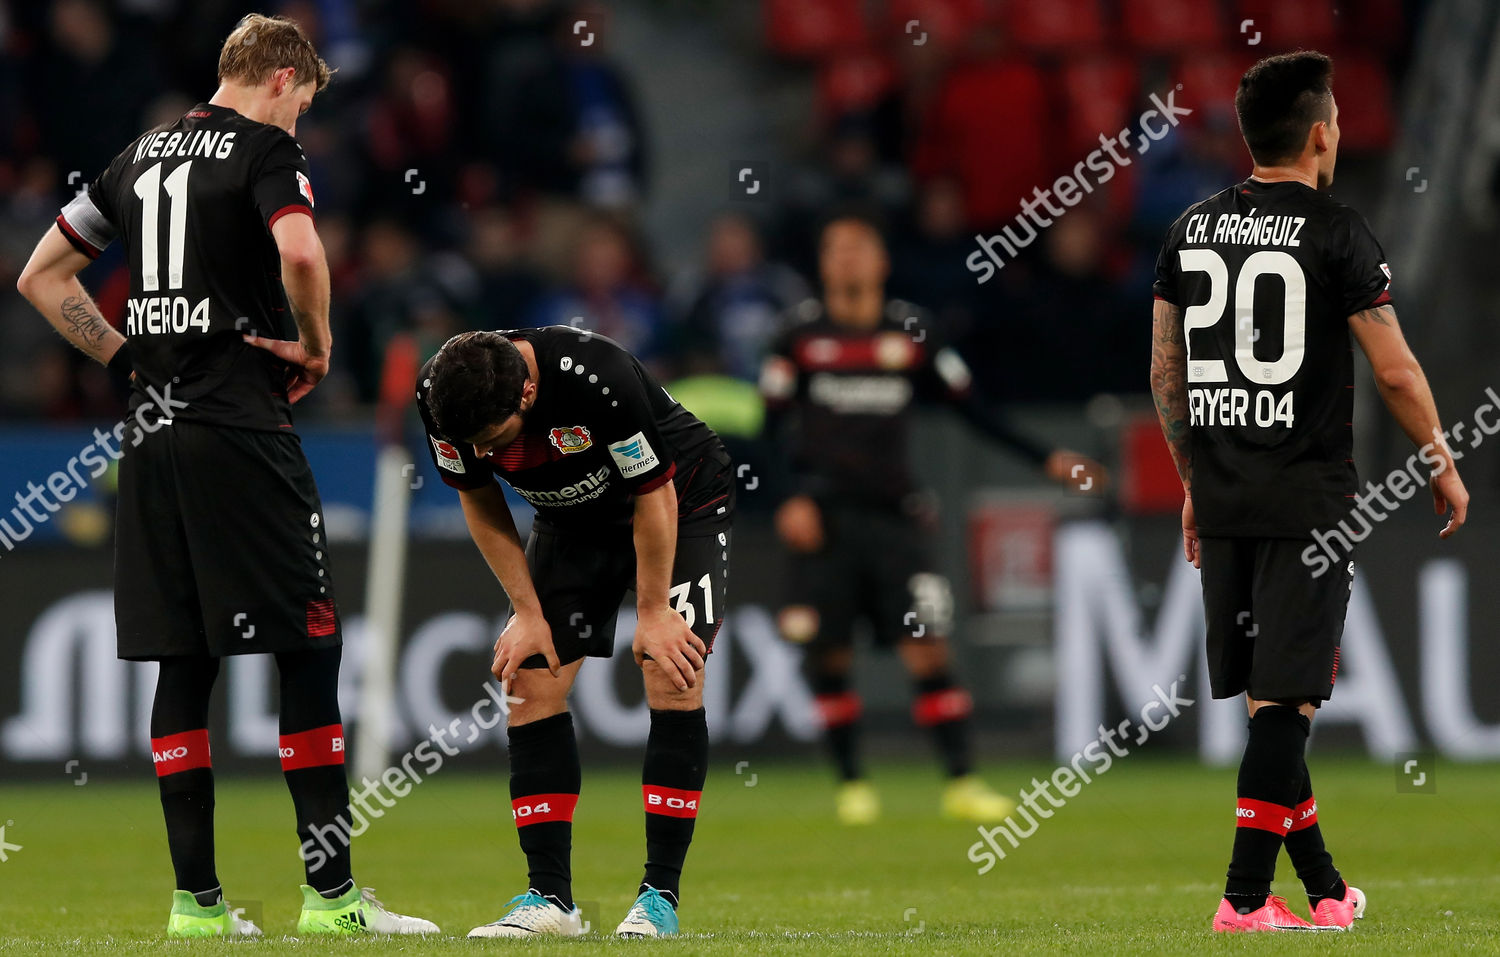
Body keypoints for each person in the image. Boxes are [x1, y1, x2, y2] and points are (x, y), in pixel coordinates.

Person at [15, 14, 436, 939]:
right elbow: (300, 252)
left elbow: (42, 278)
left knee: (183, 660)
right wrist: (318, 346)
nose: (303, 123)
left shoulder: (139, 152)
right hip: (242, 427)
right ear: (286, 78)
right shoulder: (264, 153)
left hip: (153, 436)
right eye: (308, 104)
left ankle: (196, 906)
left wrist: (127, 360)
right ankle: (329, 899)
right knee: (309, 648)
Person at [1150, 51, 1468, 933]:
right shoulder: (1336, 230)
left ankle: (1325, 894)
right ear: (1323, 133)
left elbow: (1166, 372)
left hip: (1220, 495)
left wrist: (1188, 476)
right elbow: (1397, 371)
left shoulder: (1188, 230)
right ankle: (1244, 902)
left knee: (1269, 704)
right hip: (1306, 504)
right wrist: (1440, 454)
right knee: (1288, 705)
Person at [759, 214, 1106, 826]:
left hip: (897, 519)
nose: (845, 260)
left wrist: (1048, 458)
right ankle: (851, 784)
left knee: (927, 646)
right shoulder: (798, 335)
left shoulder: (912, 331)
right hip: (826, 521)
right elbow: (768, 428)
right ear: (823, 264)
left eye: (857, 248)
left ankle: (962, 781)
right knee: (830, 654)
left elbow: (973, 409)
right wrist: (788, 498)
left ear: (880, 261)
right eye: (834, 250)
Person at [415, 325, 734, 939]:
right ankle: (549, 901)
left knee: (670, 670)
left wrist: (653, 612)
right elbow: (479, 502)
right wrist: (527, 613)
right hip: (571, 519)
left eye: (493, 441)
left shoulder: (599, 378)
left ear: (528, 395)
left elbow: (654, 493)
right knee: (530, 684)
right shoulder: (440, 394)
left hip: (680, 500)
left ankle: (658, 898)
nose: (483, 455)